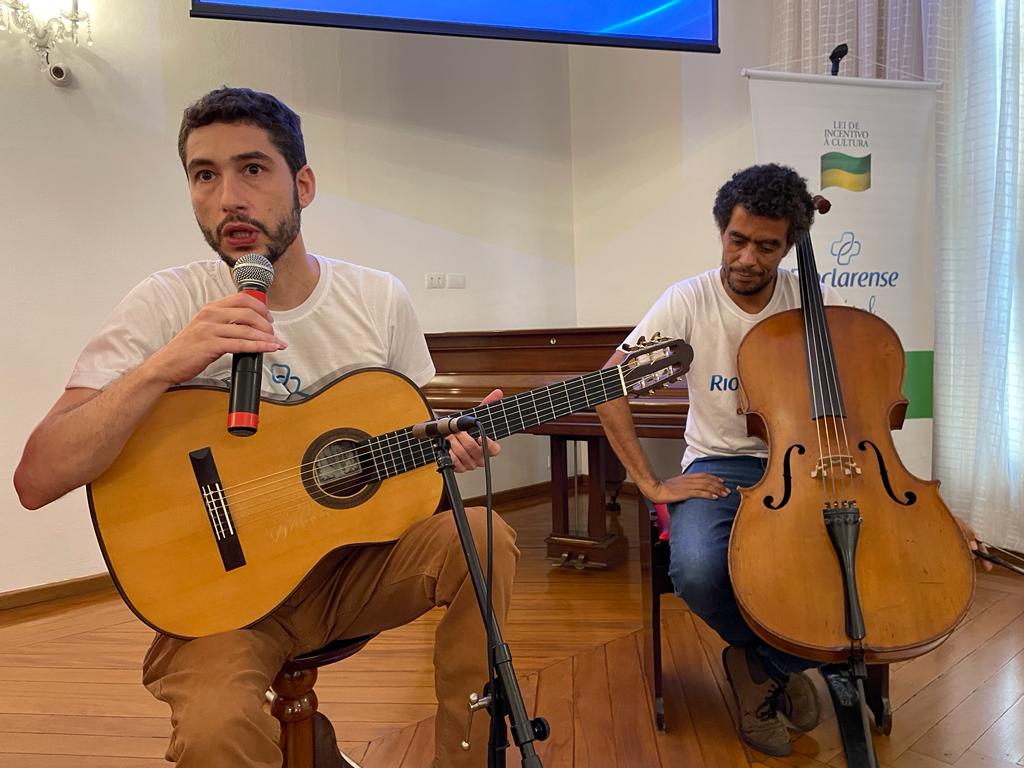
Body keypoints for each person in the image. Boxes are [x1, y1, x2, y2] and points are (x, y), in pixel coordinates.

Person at [14, 86, 517, 768]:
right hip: (217, 599)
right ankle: (299, 747)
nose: (228, 198)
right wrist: (164, 366)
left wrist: (447, 451)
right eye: (204, 175)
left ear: (302, 184)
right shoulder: (164, 303)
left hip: (349, 570)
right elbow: (38, 477)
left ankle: (465, 757)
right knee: (214, 732)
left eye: (252, 169)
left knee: (483, 537)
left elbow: (407, 437)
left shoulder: (377, 299)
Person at [594, 163, 987, 757]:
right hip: (720, 464)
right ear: (722, 231)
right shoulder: (687, 301)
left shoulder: (812, 303)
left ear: (789, 245)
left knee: (866, 562)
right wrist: (649, 482)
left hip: (815, 464)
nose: (747, 258)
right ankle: (793, 659)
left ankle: (764, 670)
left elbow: (860, 413)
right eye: (737, 240)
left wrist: (923, 510)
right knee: (696, 570)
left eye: (767, 246)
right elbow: (608, 385)